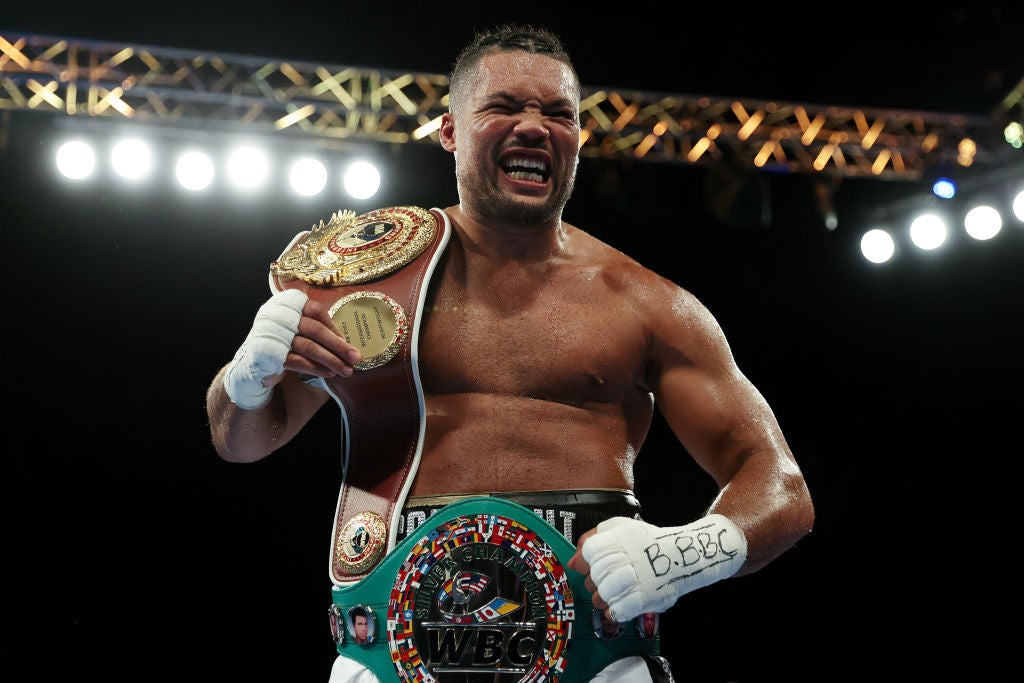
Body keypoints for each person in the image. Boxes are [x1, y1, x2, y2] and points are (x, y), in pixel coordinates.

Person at [205, 23, 814, 683]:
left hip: (593, 662)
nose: (534, 127)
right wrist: (246, 380)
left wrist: (684, 554)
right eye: (504, 107)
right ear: (450, 131)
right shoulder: (367, 283)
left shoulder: (645, 303)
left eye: (559, 114)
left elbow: (781, 487)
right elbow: (242, 440)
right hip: (388, 658)